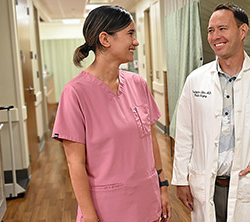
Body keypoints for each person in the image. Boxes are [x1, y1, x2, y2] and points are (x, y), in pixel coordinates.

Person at [171, 3, 250, 222]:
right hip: (206, 184)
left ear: (242, 31)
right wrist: (181, 179)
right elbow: (185, 134)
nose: (214, 36)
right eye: (210, 30)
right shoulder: (196, 79)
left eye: (222, 28)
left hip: (246, 183)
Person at [52, 5, 171, 222]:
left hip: (147, 199)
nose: (136, 41)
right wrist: (89, 216)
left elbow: (150, 138)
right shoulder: (75, 93)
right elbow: (75, 163)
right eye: (130, 34)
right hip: (108, 208)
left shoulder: (138, 84)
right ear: (105, 39)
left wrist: (162, 186)